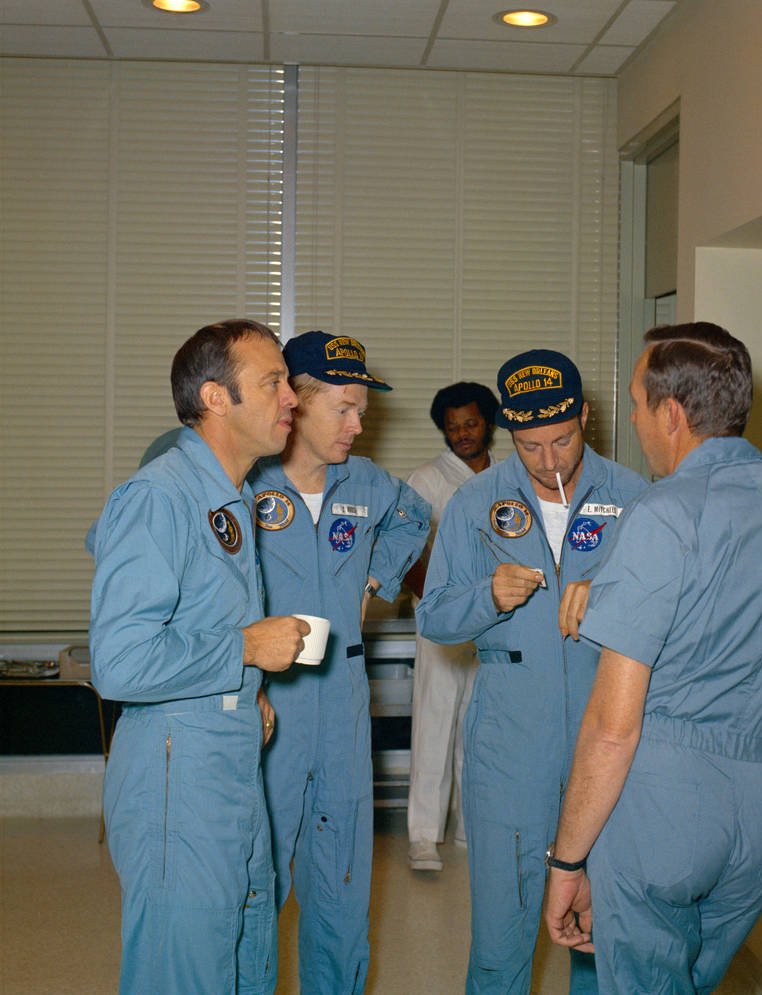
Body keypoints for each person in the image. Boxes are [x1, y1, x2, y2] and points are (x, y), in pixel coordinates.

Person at [543, 322, 762, 995]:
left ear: (670, 414)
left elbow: (612, 729)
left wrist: (567, 860)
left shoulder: (662, 514)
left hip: (662, 806)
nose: (636, 422)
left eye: (639, 405)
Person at [89, 319, 310, 994]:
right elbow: (120, 662)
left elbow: (193, 624)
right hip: (174, 771)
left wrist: (247, 687)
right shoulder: (160, 497)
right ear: (215, 398)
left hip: (229, 753)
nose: (291, 398)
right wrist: (244, 648)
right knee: (180, 970)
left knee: (243, 956)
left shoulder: (232, 496)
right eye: (272, 381)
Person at [417, 350, 648, 994]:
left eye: (562, 441)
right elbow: (434, 618)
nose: (549, 463)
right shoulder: (474, 502)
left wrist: (611, 593)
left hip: (611, 738)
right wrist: (486, 596)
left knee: (602, 936)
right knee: (501, 932)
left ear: (585, 418)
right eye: (529, 446)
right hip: (510, 748)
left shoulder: (635, 498)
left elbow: (679, 616)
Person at [252, 331, 430, 994]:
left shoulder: (368, 483)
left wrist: (376, 580)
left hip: (343, 701)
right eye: (344, 408)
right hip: (268, 702)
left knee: (342, 884)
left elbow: (415, 516)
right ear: (293, 401)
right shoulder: (246, 480)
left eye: (364, 410)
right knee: (255, 880)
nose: (359, 425)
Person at [405, 381, 500, 872]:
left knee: (480, 729)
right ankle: (423, 836)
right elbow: (406, 554)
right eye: (453, 426)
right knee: (435, 724)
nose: (462, 434)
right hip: (443, 623)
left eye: (471, 424)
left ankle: (469, 827)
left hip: (494, 622)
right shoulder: (426, 480)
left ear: (488, 423)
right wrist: (440, 602)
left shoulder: (508, 479)